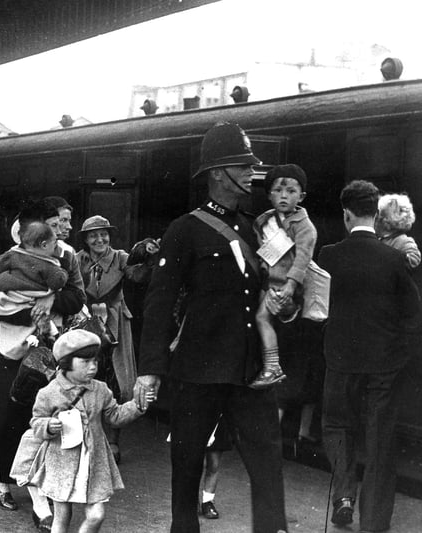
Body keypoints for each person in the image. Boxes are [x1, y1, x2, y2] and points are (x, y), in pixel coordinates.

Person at [135, 122, 288, 533]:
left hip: (250, 372)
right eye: (243, 166)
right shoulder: (184, 230)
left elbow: (276, 291)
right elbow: (159, 302)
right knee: (186, 468)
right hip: (198, 371)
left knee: (268, 467)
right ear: (218, 172)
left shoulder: (258, 229)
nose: (251, 174)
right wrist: (150, 366)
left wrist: (285, 306)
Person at [317, 180, 419, 531]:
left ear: (345, 215)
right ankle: (374, 522)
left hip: (341, 363)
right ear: (376, 215)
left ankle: (344, 495)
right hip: (383, 368)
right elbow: (413, 312)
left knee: (336, 426)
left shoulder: (328, 255)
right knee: (379, 440)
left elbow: (317, 310)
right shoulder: (394, 259)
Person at [0, 199, 85, 531]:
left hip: (46, 349)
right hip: (10, 346)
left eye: (69, 221)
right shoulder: (17, 253)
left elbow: (78, 297)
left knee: (41, 418)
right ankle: (3, 480)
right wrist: (32, 305)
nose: (67, 227)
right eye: (61, 221)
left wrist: (51, 299)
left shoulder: (67, 256)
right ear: (42, 226)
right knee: (9, 416)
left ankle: (39, 497)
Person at [18, 329, 153, 533]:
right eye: (85, 362)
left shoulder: (100, 389)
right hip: (62, 462)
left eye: (95, 362)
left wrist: (137, 406)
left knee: (97, 515)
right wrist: (48, 426)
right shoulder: (49, 393)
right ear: (66, 363)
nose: (93, 367)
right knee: (62, 519)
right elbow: (36, 421)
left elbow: (115, 416)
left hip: (93, 462)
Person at [76, 215, 141, 463]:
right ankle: (87, 437)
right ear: (85, 239)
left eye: (103, 234)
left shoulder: (120, 257)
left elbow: (137, 274)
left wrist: (144, 257)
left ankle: (113, 441)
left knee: (117, 382)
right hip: (85, 323)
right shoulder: (78, 259)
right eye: (93, 235)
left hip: (114, 325)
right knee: (86, 377)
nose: (99, 239)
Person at [250, 164, 317, 388]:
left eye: (291, 191)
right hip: (267, 284)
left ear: (302, 196)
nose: (284, 196)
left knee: (262, 318)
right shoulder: (263, 221)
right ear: (269, 194)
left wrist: (291, 285)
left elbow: (303, 258)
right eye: (278, 191)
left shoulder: (304, 226)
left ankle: (272, 367)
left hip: (286, 287)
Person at [0, 220, 67, 340]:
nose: (56, 246)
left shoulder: (13, 254)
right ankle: (49, 331)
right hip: (31, 299)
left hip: (8, 296)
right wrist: (63, 272)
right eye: (54, 242)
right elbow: (57, 281)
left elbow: (0, 263)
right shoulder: (48, 265)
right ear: (44, 245)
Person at [375, 193, 421, 269]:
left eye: (377, 218)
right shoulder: (379, 239)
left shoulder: (403, 241)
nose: (374, 222)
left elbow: (414, 258)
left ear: (386, 221)